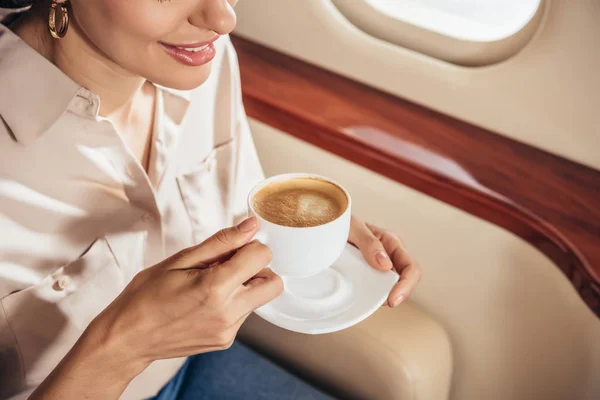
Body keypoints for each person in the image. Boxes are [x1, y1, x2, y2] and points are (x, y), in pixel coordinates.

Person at [0, 1, 422, 399]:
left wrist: (307, 238)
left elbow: (239, 210)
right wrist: (120, 349)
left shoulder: (202, 57)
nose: (223, 18)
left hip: (195, 369)